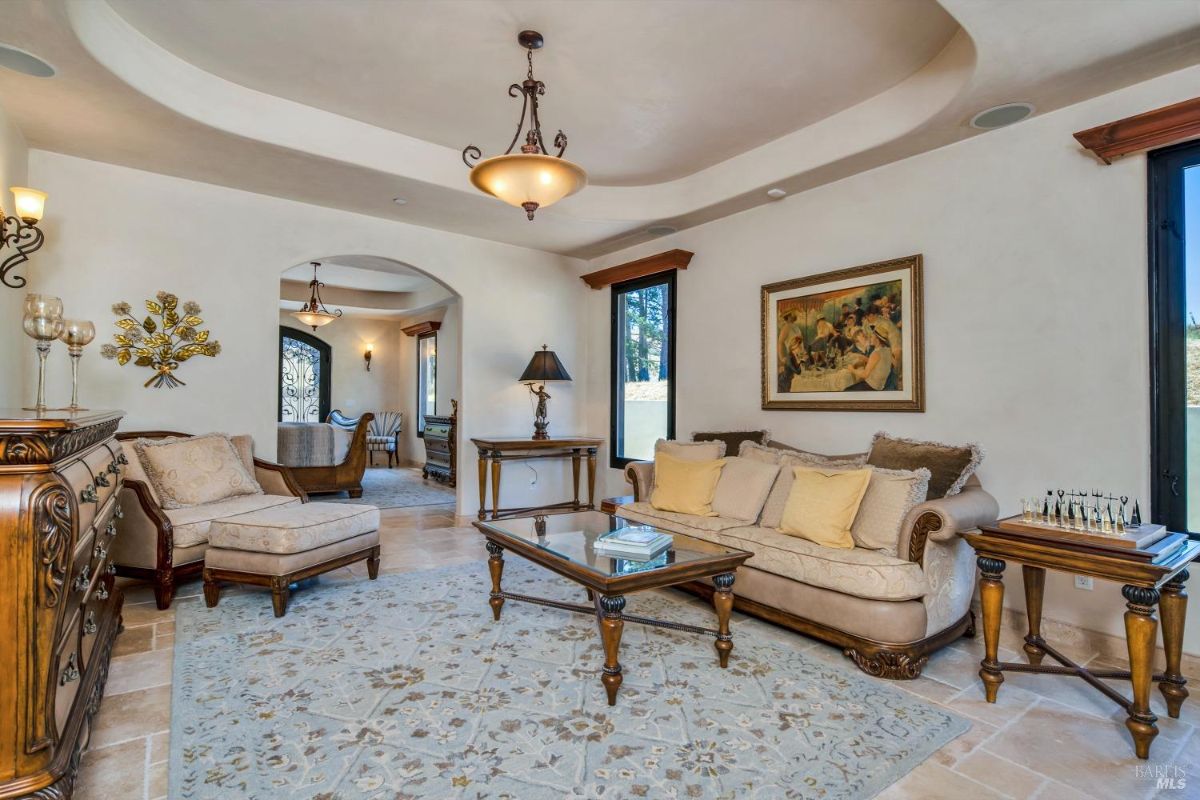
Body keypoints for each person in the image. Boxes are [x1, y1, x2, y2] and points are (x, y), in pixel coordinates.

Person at [846, 325, 897, 391]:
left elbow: (865, 374)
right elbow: (881, 363)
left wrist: (852, 369)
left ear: (877, 339)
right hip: (880, 386)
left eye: (872, 336)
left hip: (872, 386)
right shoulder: (888, 350)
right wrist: (867, 359)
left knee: (846, 390)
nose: (870, 338)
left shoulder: (876, 353)